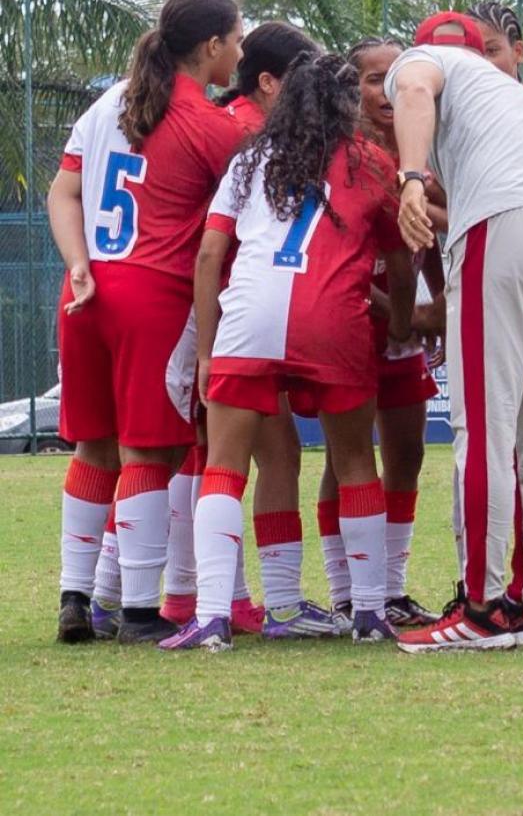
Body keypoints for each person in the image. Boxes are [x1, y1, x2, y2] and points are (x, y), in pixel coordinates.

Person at [158, 48, 416, 651]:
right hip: (332, 320)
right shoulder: (371, 162)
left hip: (250, 316)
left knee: (225, 465)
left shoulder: (251, 159)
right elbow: (400, 265)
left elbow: (208, 257)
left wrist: (205, 351)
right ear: (346, 104)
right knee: (354, 461)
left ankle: (214, 617)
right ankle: (370, 614)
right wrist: (401, 323)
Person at [385, 11, 523, 652]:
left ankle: (480, 607)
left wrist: (411, 176)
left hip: (505, 228)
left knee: (484, 427)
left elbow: (416, 89)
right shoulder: (510, 91)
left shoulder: (423, 66)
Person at [50, 0, 245, 644]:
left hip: (85, 294)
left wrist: (78, 262)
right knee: (148, 451)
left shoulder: (110, 102)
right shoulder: (210, 125)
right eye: (235, 39)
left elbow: (64, 191)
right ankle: (137, 609)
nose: (240, 51)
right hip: (153, 297)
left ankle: (74, 598)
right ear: (211, 46)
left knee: (93, 446)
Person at [313, 36, 443, 632]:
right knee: (346, 458)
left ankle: (389, 589)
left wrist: (435, 305)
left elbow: (437, 237)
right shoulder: (344, 154)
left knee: (408, 453)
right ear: (353, 89)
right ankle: (348, 593)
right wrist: (396, 310)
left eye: (396, 77)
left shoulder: (426, 145)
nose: (387, 90)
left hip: (401, 324)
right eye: (372, 79)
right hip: (353, 321)